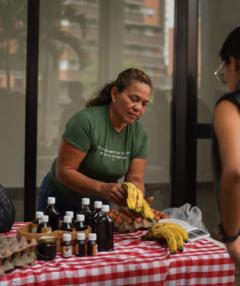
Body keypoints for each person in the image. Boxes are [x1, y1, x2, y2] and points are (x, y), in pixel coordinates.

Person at [37, 68, 152, 216]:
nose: (138, 108)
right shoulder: (86, 121)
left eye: (144, 103)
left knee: (101, 238)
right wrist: (103, 189)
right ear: (115, 94)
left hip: (100, 202)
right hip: (60, 200)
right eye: (134, 99)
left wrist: (135, 200)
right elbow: (64, 171)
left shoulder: (139, 134)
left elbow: (135, 179)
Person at [212, 26, 240, 269]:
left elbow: (234, 171)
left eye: (225, 67)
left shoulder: (230, 106)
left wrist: (231, 237)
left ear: (233, 61)